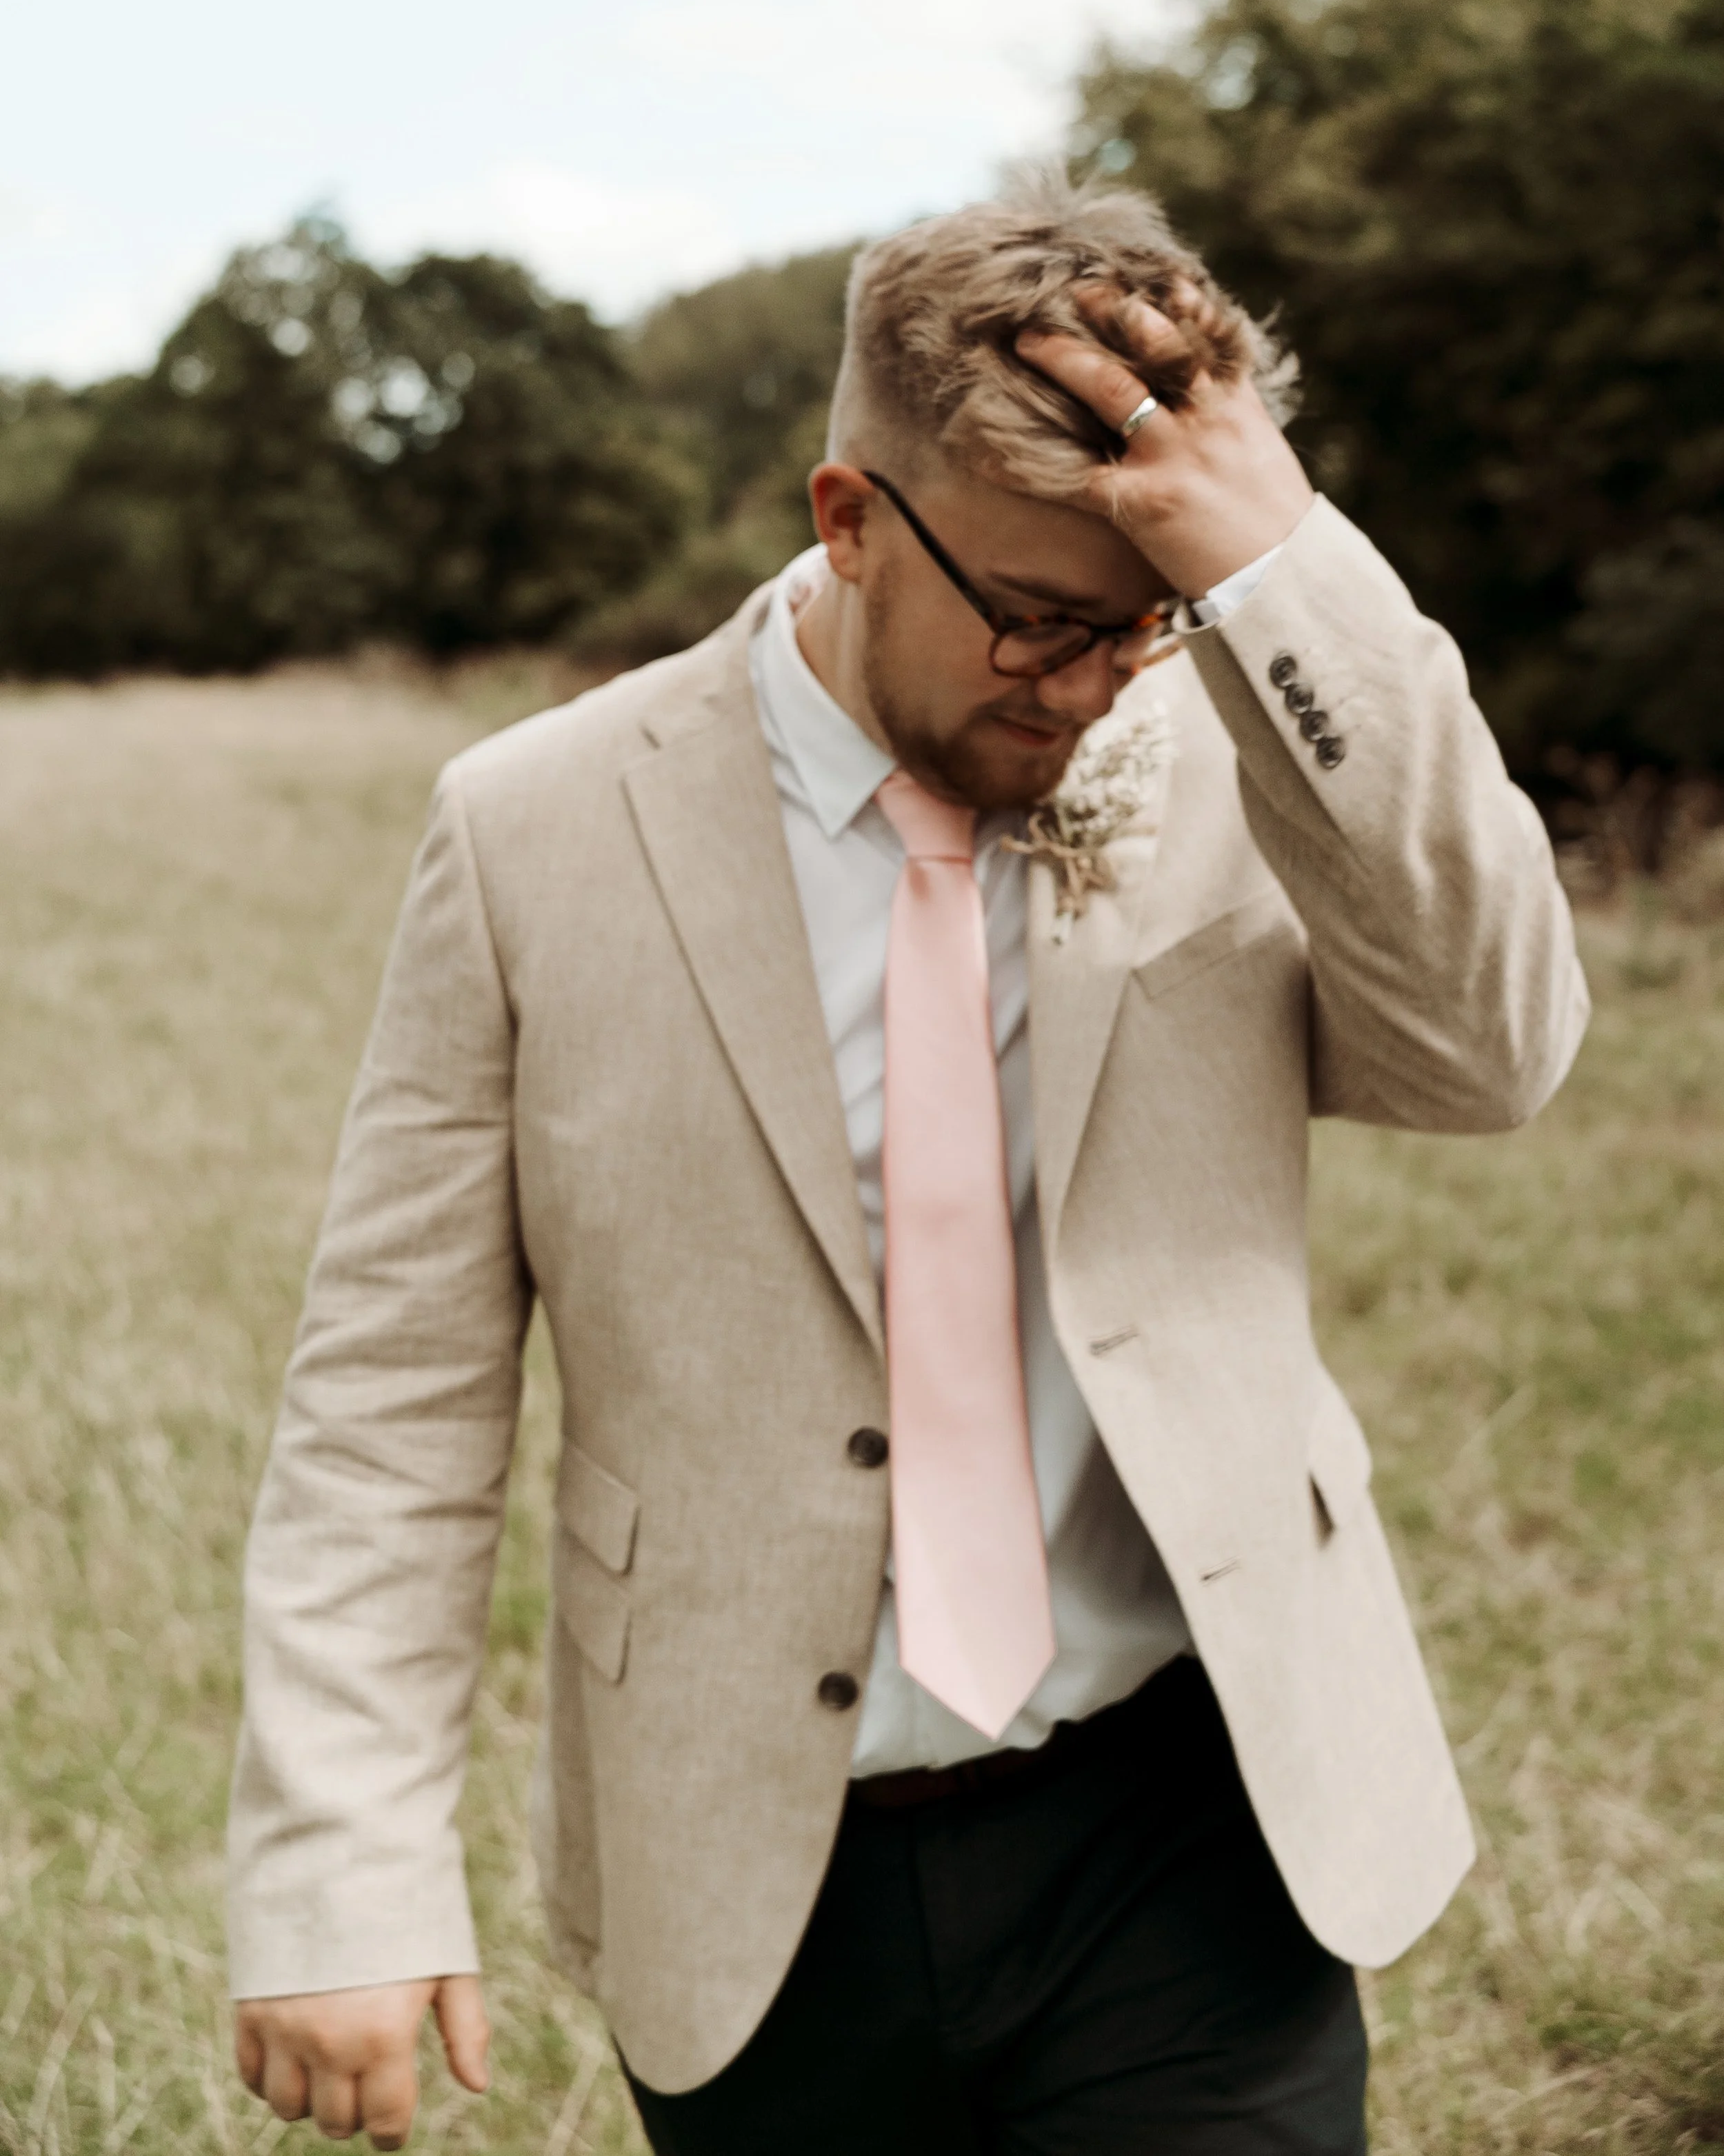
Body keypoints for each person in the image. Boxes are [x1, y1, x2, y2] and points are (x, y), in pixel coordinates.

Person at [228, 178, 1589, 2154]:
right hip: (756, 1869)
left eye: (1141, 621)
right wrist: (338, 1875)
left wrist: (1285, 579)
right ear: (848, 519)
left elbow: (1490, 1052)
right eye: (1035, 618)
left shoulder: (1228, 745)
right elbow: (386, 1400)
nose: (1089, 679)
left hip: (1186, 1823)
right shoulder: (528, 827)